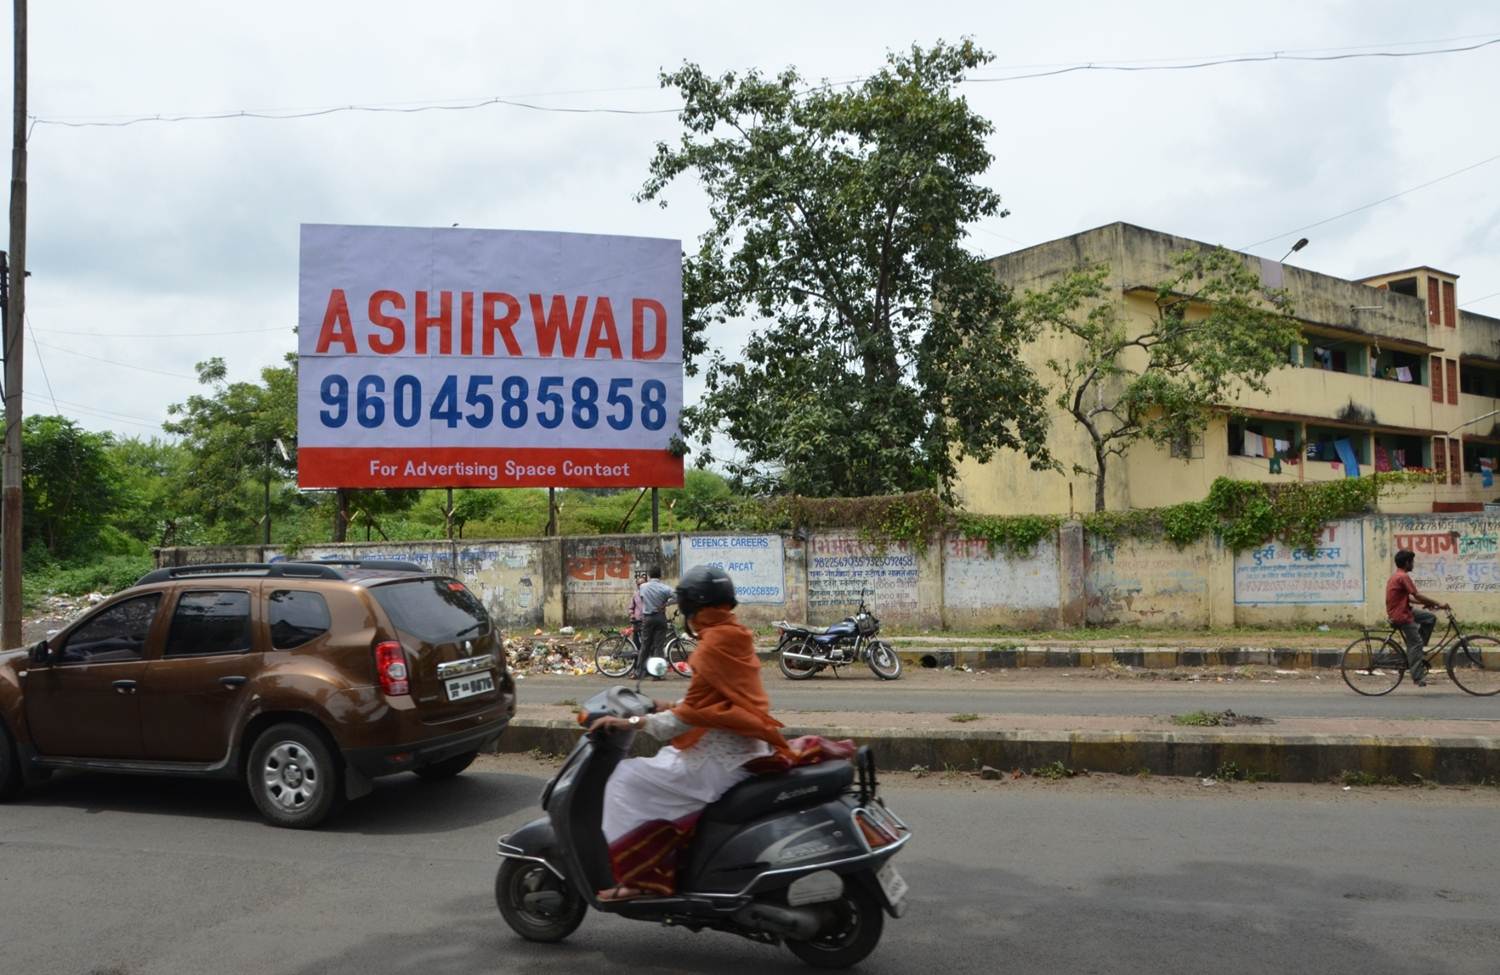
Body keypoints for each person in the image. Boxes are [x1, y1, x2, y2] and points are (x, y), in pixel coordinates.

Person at [589, 565, 793, 899]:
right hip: (744, 751)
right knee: (662, 763)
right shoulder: (735, 635)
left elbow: (687, 717)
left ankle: (640, 880)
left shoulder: (712, 646)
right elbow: (710, 701)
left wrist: (631, 723)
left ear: (692, 610)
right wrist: (661, 704)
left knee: (625, 778)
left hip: (718, 763)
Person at [1386, 549, 1449, 686]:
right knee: (1416, 643)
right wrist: (1437, 603)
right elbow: (1417, 595)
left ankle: (1416, 651)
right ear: (1407, 562)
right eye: (1412, 561)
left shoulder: (1397, 575)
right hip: (1401, 615)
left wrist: (1428, 604)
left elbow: (1407, 598)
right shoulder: (1403, 577)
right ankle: (1418, 677)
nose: (1413, 564)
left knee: (1429, 618)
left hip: (1403, 610)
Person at [635, 565, 675, 679]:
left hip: (647, 618)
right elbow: (678, 596)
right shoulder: (665, 588)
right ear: (660, 576)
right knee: (658, 647)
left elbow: (642, 598)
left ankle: (639, 672)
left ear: (649, 576)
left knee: (645, 646)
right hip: (660, 617)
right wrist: (666, 604)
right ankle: (657, 675)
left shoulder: (643, 587)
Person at [627, 571, 647, 654]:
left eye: (642, 583)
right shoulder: (635, 595)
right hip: (637, 622)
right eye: (638, 584)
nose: (640, 586)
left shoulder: (650, 594)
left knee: (646, 642)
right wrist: (632, 614)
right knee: (636, 643)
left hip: (646, 621)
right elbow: (631, 608)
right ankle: (636, 661)